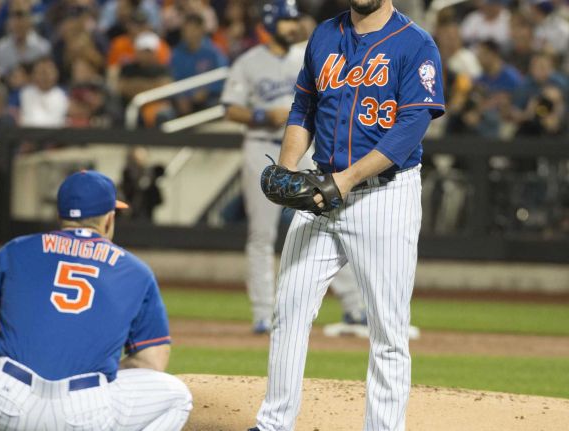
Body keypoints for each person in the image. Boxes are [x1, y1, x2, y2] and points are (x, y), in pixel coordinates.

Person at [248, 1, 445, 430]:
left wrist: (346, 180)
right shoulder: (324, 35)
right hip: (321, 189)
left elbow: (410, 129)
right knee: (289, 309)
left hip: (384, 196)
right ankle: (273, 424)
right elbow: (303, 108)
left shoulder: (415, 44)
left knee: (389, 332)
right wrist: (286, 168)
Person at [0, 170, 193, 431]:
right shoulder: (136, 271)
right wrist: (100, 377)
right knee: (178, 398)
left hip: (5, 403)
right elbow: (152, 361)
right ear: (109, 219)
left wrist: (4, 358)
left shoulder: (18, 250)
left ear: (60, 215)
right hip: (87, 415)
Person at [220, 0, 308, 333]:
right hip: (262, 148)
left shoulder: (306, 58)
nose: (293, 26)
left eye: (295, 20)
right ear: (270, 24)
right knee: (262, 235)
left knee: (327, 224)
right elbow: (230, 108)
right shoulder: (248, 63)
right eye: (287, 20)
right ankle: (262, 312)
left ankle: (354, 307)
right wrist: (262, 116)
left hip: (303, 150)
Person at [170, 14, 228, 115]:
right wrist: (182, 96)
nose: (189, 34)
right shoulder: (177, 54)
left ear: (201, 30)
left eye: (193, 30)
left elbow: (223, 77)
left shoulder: (214, 52)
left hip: (210, 99)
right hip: (184, 101)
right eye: (185, 30)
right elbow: (173, 78)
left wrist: (207, 90)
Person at [18, 57, 69, 128]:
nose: (44, 77)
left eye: (47, 73)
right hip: (27, 135)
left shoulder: (63, 96)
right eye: (40, 73)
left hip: (55, 136)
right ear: (33, 75)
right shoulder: (24, 93)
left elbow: (58, 122)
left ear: (56, 74)